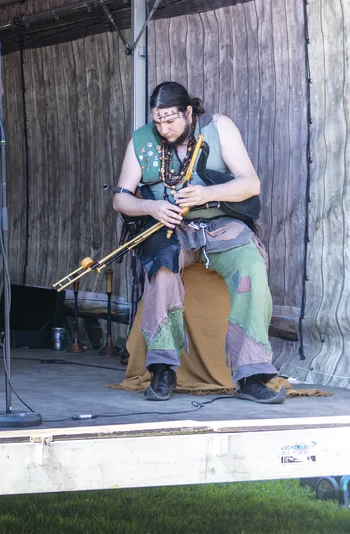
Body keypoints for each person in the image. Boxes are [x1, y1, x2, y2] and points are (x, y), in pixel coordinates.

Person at [112, 81, 283, 404]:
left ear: (189, 112)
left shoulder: (218, 128)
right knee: (161, 272)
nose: (164, 128)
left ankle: (252, 374)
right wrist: (151, 207)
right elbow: (120, 199)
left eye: (171, 119)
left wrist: (208, 194)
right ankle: (163, 369)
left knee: (251, 268)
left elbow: (250, 182)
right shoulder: (142, 139)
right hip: (170, 228)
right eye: (158, 120)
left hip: (222, 224)